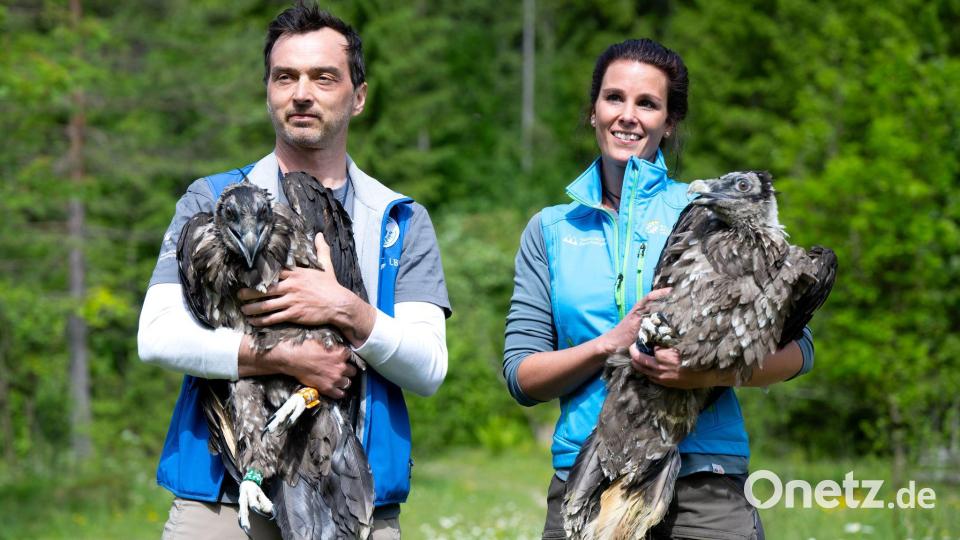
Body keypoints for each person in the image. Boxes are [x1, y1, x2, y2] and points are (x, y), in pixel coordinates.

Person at [138, 4, 450, 539]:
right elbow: (157, 336)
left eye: (323, 77)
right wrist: (282, 357)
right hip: (222, 499)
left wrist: (344, 309)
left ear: (359, 96)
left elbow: (428, 368)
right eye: (285, 77)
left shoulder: (398, 219)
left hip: (351, 496)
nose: (301, 93)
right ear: (268, 92)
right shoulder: (210, 201)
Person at [503, 38, 815, 540]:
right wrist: (609, 344)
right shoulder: (551, 230)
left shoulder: (712, 213)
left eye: (647, 103)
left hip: (704, 481)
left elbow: (799, 349)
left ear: (669, 122)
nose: (628, 116)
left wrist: (702, 373)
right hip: (590, 474)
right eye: (614, 98)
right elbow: (522, 376)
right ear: (593, 111)